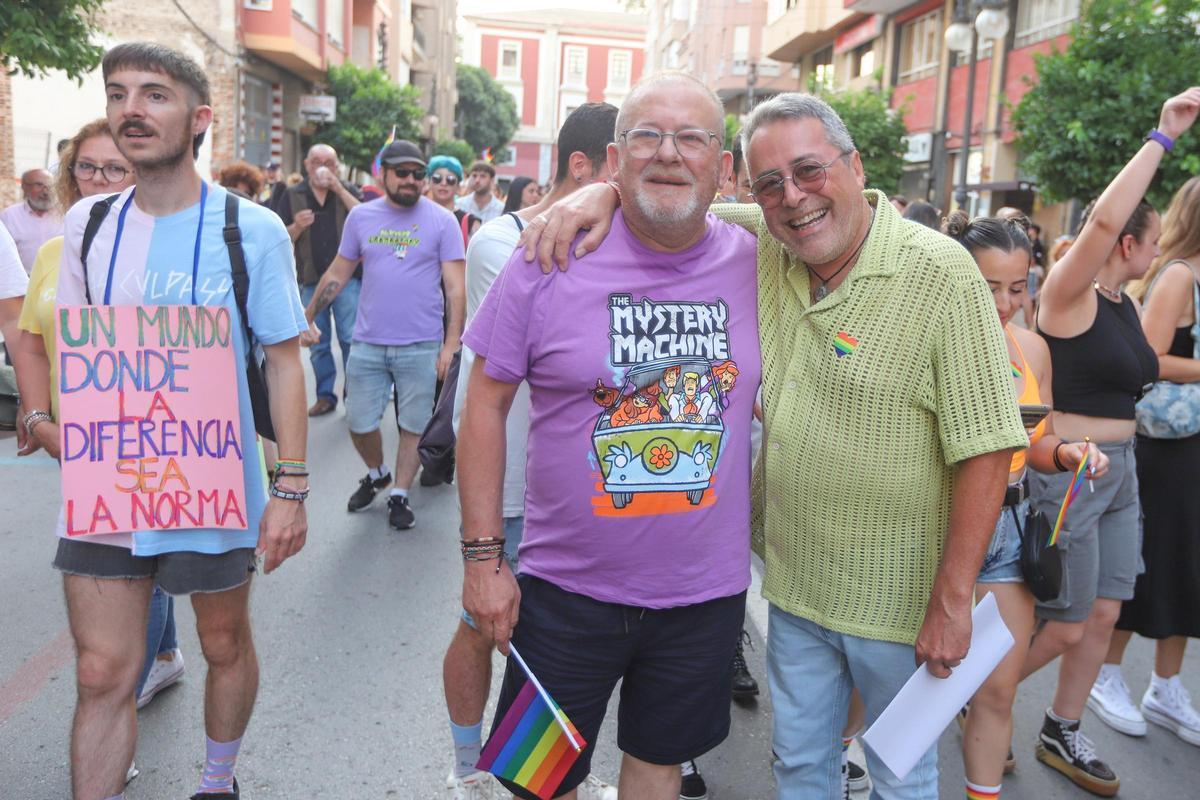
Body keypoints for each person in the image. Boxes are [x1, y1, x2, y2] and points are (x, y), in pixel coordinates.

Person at [517, 90, 1029, 799]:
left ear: (854, 166)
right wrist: (599, 196)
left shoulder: (940, 272)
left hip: (902, 605)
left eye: (811, 171)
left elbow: (987, 447)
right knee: (796, 769)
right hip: (792, 592)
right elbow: (673, 200)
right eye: (769, 184)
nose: (794, 198)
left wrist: (952, 597)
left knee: (900, 779)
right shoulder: (770, 250)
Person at [16, 42, 311, 800]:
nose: (130, 110)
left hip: (211, 482)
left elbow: (283, 362)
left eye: (153, 94)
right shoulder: (85, 225)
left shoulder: (250, 231)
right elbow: (77, 350)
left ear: (199, 118)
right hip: (110, 486)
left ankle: (217, 781)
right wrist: (57, 427)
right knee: (101, 670)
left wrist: (291, 487)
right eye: (118, 95)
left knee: (221, 641)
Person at [458, 72, 760, 800]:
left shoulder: (762, 262)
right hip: (563, 592)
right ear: (615, 158)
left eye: (692, 138)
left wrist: (596, 192)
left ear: (725, 168)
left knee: (660, 766)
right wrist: (482, 560)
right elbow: (484, 406)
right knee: (539, 780)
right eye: (646, 136)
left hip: (704, 596)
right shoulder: (547, 254)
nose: (668, 153)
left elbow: (843, 210)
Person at [1019, 87, 1200, 797]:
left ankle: (1061, 726)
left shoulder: (1125, 303)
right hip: (1074, 472)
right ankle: (982, 692)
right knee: (1062, 623)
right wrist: (1162, 137)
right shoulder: (1069, 295)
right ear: (1126, 240)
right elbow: (1100, 218)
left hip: (1120, 472)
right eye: (1149, 240)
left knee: (1103, 611)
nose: (1156, 251)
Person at [442, 100, 619, 800]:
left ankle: (543, 773)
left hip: (562, 490)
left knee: (537, 650)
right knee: (488, 629)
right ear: (584, 167)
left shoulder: (601, 236)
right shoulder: (503, 243)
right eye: (619, 164)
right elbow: (498, 390)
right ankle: (471, 767)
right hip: (509, 487)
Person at [12, 119, 191, 732]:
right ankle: (164, 655)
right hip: (72, 436)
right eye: (87, 167)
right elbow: (32, 337)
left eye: (115, 167)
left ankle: (124, 713)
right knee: (133, 556)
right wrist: (36, 411)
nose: (99, 179)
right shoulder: (57, 249)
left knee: (134, 556)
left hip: (143, 437)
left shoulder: (163, 245)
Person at [944, 212, 1109, 800]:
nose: (1007, 302)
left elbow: (1038, 440)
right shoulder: (930, 338)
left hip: (1009, 526)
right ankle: (846, 754)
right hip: (930, 525)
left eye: (1018, 287)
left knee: (996, 690)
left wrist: (1066, 452)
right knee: (892, 680)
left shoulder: (1032, 348)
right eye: (990, 286)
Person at [301, 139, 465, 531]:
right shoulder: (362, 218)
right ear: (383, 174)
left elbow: (456, 288)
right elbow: (338, 274)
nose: (411, 180)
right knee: (358, 421)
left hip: (421, 343)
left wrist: (451, 345)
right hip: (369, 343)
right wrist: (305, 317)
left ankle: (399, 494)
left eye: (417, 174)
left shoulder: (442, 221)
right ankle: (377, 472)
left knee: (412, 425)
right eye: (402, 173)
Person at [1094, 174, 1200, 748]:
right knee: (1148, 562)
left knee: (1186, 566)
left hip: (1194, 446)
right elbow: (1152, 360)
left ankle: (1166, 684)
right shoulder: (1181, 275)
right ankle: (1107, 675)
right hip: (1168, 446)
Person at [276, 143, 363, 417]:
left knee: (351, 338)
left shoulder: (347, 190)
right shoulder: (291, 194)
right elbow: (277, 237)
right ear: (306, 165)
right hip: (311, 279)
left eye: (328, 162)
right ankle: (325, 395)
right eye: (316, 161)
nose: (321, 167)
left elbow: (367, 220)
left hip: (347, 279)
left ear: (337, 166)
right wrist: (296, 227)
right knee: (317, 341)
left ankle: (354, 396)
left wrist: (338, 188)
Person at [1, 168, 63, 272]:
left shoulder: (66, 214)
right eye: (39, 185)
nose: (46, 191)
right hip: (22, 282)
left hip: (58, 282)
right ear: (24, 187)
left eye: (51, 186)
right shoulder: (9, 216)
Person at [428, 155, 481, 245]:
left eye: (450, 179)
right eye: (437, 178)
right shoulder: (417, 215)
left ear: (458, 187)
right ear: (429, 183)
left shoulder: (470, 222)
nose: (443, 183)